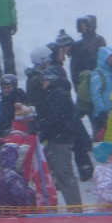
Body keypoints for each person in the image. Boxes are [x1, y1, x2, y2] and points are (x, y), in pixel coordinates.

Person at [36, 66, 83, 207]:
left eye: (44, 80)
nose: (42, 83)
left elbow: (54, 117)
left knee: (64, 175)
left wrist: (39, 125)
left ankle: (76, 209)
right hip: (57, 138)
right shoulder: (57, 93)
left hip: (60, 140)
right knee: (48, 171)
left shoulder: (58, 94)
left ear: (51, 80)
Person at [70, 14, 106, 91]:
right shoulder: (78, 44)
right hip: (83, 80)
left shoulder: (99, 40)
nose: (82, 27)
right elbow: (74, 67)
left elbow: (103, 59)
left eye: (84, 25)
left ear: (91, 26)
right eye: (81, 25)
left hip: (97, 77)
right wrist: (77, 86)